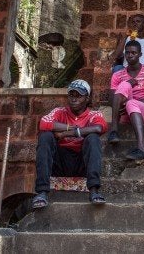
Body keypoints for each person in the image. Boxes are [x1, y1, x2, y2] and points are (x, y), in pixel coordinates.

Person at [32, 79, 108, 209]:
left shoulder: (94, 114)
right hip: (60, 162)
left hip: (81, 163)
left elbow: (99, 128)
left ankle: (94, 190)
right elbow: (43, 124)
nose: (74, 99)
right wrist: (69, 127)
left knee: (93, 138)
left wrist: (64, 134)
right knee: (45, 136)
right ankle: (42, 192)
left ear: (87, 98)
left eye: (78, 95)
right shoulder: (59, 112)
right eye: (71, 95)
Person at [107, 41, 144, 160]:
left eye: (134, 53)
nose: (130, 55)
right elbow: (112, 99)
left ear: (140, 54)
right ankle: (114, 131)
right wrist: (128, 84)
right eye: (128, 53)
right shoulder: (117, 75)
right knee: (124, 85)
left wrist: (132, 104)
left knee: (131, 102)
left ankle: (142, 149)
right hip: (125, 114)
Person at [111, 14, 144, 106]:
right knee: (117, 68)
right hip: (126, 70)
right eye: (133, 22)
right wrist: (125, 37)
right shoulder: (128, 39)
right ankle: (116, 103)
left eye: (138, 21)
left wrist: (140, 74)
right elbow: (116, 56)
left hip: (143, 72)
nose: (135, 24)